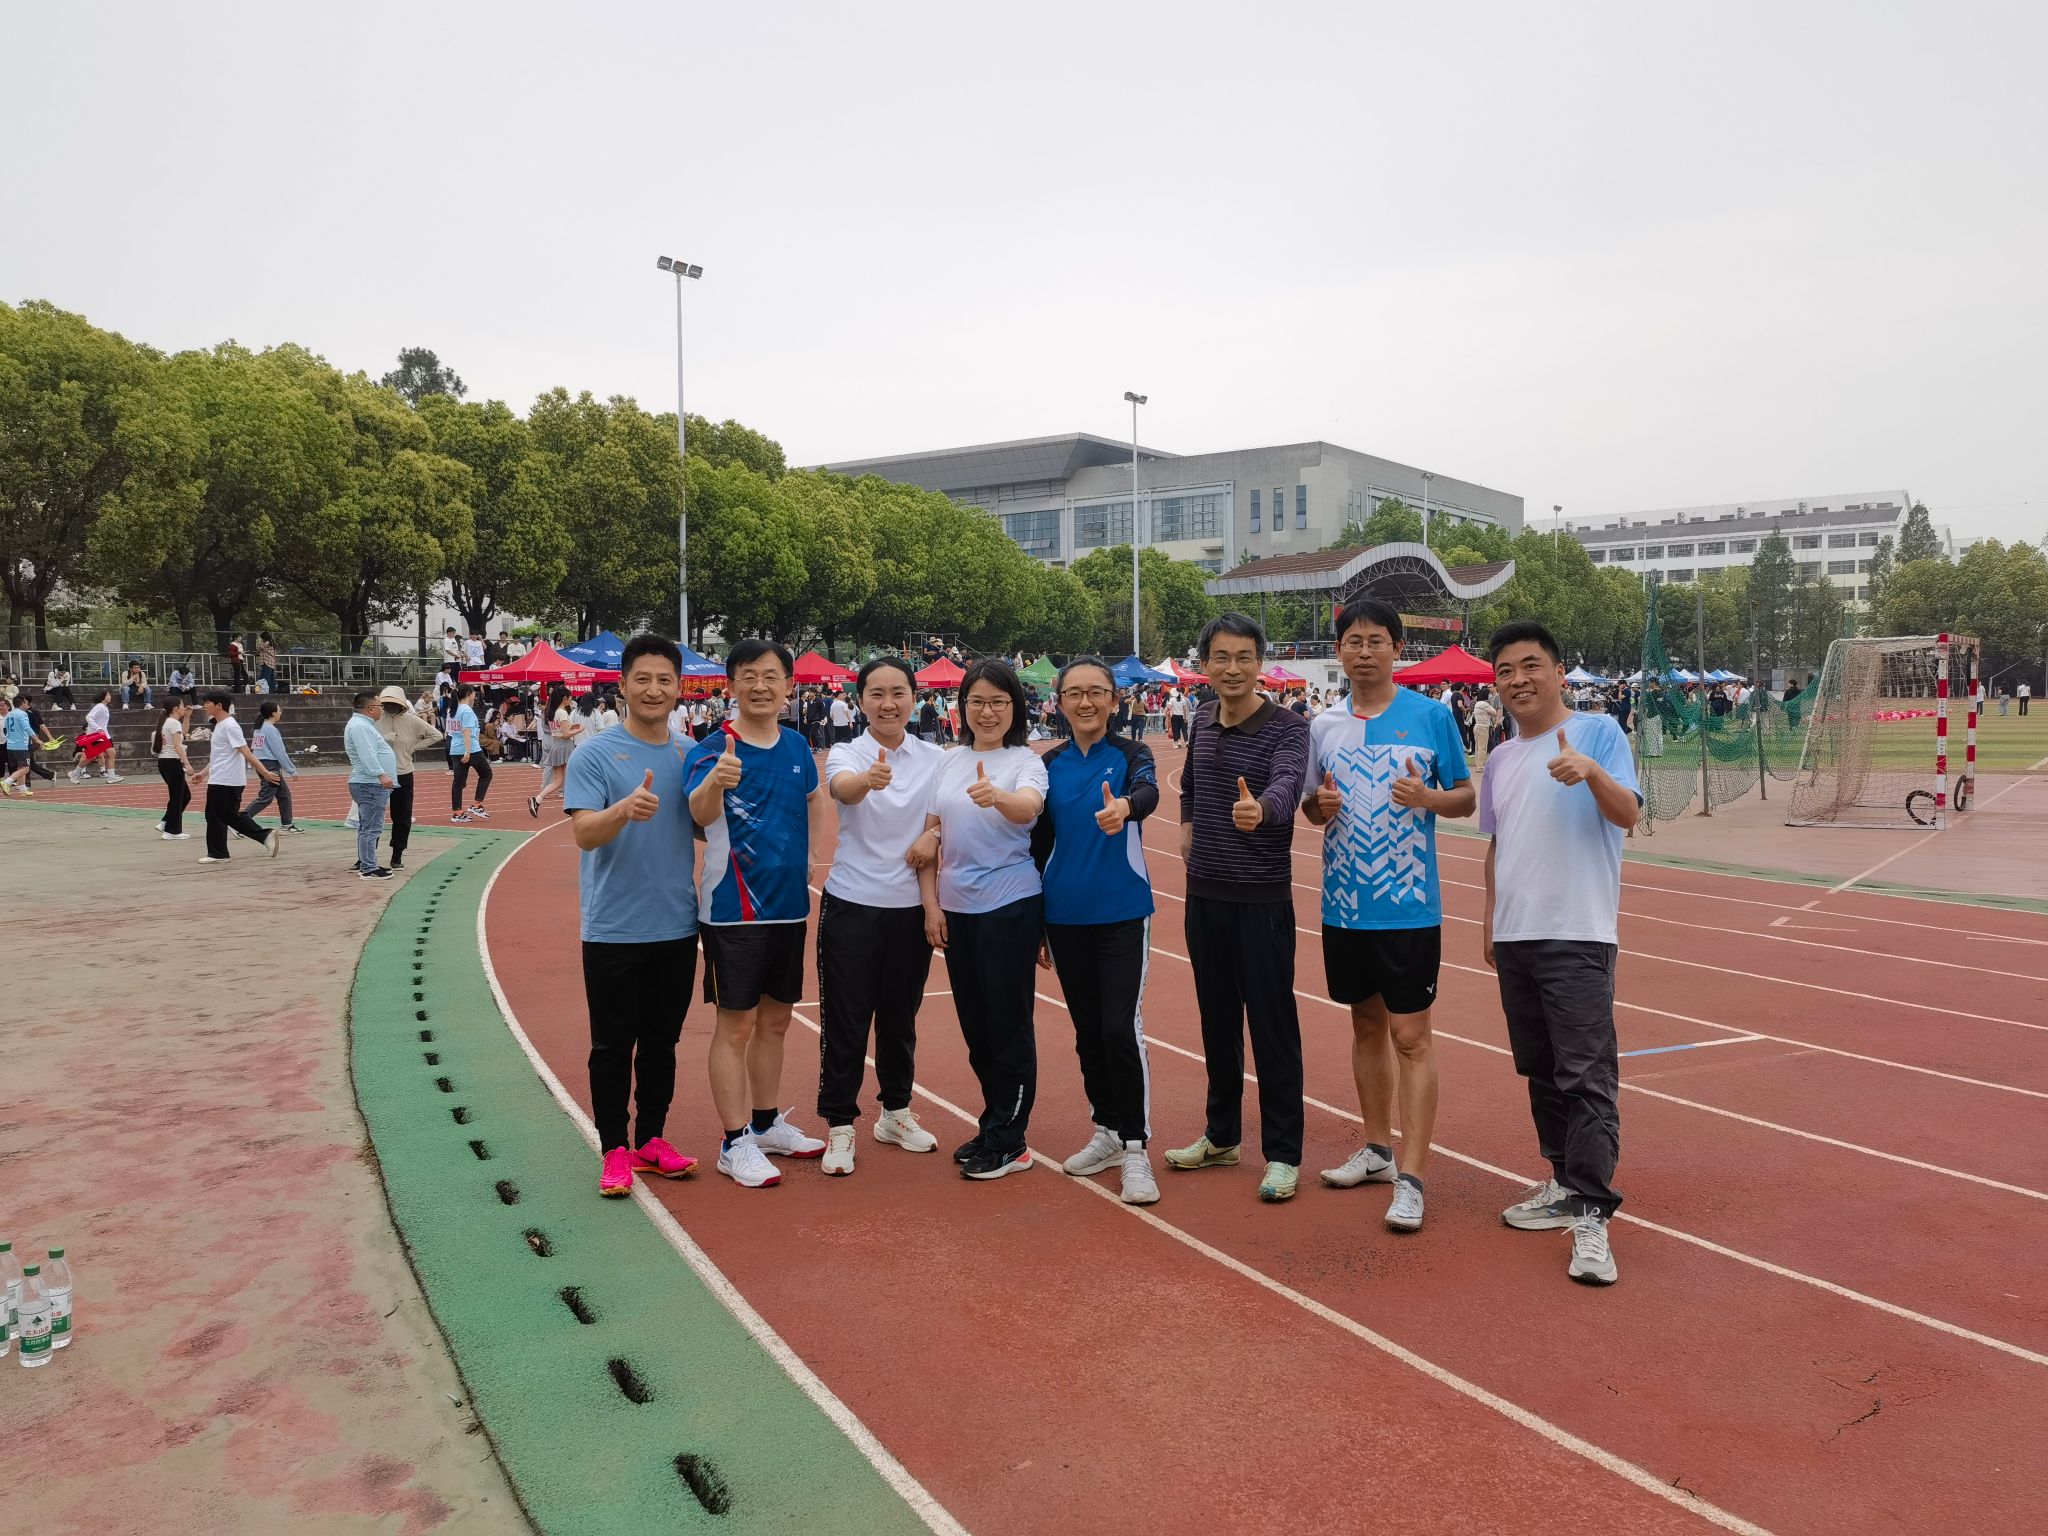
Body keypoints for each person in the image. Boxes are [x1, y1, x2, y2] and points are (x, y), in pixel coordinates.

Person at [1301, 600, 1474, 1232]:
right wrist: (1318, 808)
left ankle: (1414, 1176)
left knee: (1411, 1037)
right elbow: (1311, 808)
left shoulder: (1431, 716)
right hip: (1345, 907)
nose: (1364, 651)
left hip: (1408, 906)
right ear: (1339, 651)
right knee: (1366, 1027)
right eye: (1353, 641)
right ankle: (1376, 1150)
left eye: (1376, 640)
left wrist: (1428, 796)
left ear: (1398, 648)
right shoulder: (1323, 726)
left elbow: (1465, 798)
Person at [1482, 621, 1642, 1287]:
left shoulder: (1598, 733)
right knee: (1542, 1071)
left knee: (1585, 1077)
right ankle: (1562, 1181)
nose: (1518, 679)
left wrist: (1593, 772)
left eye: (1531, 665)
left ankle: (1592, 1215)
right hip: (1516, 935)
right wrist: (1489, 923)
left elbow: (1628, 814)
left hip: (1577, 932)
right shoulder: (1499, 757)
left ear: (1556, 670)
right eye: (1506, 671)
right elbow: (1498, 844)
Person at [1164, 613, 1311, 1203]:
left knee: (1273, 1028)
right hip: (1204, 896)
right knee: (1217, 1022)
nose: (1232, 668)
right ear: (1205, 664)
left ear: (1260, 663)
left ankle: (1283, 1154)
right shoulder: (1202, 716)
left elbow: (1287, 785)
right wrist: (1187, 825)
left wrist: (1263, 810)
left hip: (1261, 899)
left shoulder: (1288, 727)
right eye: (1221, 657)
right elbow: (1190, 786)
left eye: (1244, 657)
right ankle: (1222, 1136)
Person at [685, 639, 828, 1188]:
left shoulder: (796, 745)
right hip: (733, 911)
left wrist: (812, 853)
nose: (761, 686)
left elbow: (814, 797)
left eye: (771, 676)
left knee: (776, 1021)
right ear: (732, 685)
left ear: (788, 686)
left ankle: (766, 1125)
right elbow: (698, 815)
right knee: (736, 1025)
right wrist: (716, 782)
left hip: (789, 907)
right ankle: (734, 1141)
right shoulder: (712, 747)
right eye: (749, 676)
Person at [566, 634, 699, 1193]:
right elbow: (585, 833)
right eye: (642, 679)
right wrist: (622, 809)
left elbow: (705, 825)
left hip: (677, 924)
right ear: (622, 686)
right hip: (614, 928)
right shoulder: (594, 753)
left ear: (679, 687)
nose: (653, 689)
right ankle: (614, 1149)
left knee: (662, 1042)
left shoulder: (691, 753)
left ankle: (651, 1139)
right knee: (612, 1046)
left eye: (664, 679)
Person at [909, 658, 1047, 1180]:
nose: (987, 712)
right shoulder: (949, 762)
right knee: (977, 1027)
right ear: (962, 706)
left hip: (1009, 904)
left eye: (998, 702)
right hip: (957, 908)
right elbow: (929, 838)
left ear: (1014, 707)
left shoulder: (1025, 761)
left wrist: (999, 796)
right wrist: (931, 905)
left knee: (1008, 1025)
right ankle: (995, 1122)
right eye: (977, 702)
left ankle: (1011, 1141)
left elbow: (1028, 808)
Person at [1032, 657, 1161, 1205]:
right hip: (1064, 915)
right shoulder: (1048, 764)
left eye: (1096, 692)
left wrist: (1126, 808)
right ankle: (1106, 1130)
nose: (1085, 702)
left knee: (1118, 1027)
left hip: (1122, 912)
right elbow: (1037, 845)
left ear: (1114, 699)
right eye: (1074, 693)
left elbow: (1149, 794)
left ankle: (1135, 1147)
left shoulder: (1133, 754)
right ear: (1060, 702)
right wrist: (1037, 923)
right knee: (1087, 1031)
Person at [814, 656, 946, 1176]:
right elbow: (841, 790)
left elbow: (949, 816)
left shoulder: (935, 758)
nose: (888, 703)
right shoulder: (848, 752)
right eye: (876, 693)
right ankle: (840, 1125)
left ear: (914, 698)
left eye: (898, 693)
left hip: (909, 908)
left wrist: (934, 833)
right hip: (852, 903)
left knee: (899, 1018)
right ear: (860, 700)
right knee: (845, 1018)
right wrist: (869, 779)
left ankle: (895, 1112)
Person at [195, 693, 281, 864]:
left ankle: (219, 853)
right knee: (225, 815)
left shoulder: (230, 726)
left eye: (207, 703)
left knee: (217, 815)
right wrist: (204, 772)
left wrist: (264, 773)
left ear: (219, 706)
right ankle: (263, 837)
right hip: (221, 777)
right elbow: (219, 756)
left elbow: (246, 752)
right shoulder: (221, 725)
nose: (204, 706)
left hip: (227, 779)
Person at [376, 684, 443, 870]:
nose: (389, 706)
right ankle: (367, 856)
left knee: (402, 817)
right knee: (373, 817)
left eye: (393, 703)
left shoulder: (412, 720)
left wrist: (412, 748)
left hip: (403, 773)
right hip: (379, 774)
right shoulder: (376, 719)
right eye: (386, 703)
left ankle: (397, 854)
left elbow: (436, 735)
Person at [343, 691, 398, 880]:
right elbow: (367, 754)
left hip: (369, 783)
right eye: (380, 705)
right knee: (371, 828)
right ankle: (368, 868)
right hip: (370, 783)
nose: (382, 709)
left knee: (368, 826)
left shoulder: (362, 725)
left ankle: (368, 863)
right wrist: (381, 774)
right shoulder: (360, 726)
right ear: (371, 708)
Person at [244, 701, 301, 833]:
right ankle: (239, 821)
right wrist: (291, 770)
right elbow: (279, 752)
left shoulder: (259, 727)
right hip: (269, 765)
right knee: (265, 798)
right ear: (273, 713)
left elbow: (256, 749)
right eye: (279, 710)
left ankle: (287, 824)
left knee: (284, 794)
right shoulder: (270, 729)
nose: (281, 713)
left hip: (262, 764)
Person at [447, 684, 493, 823]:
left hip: (455, 748)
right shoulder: (466, 711)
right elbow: (466, 731)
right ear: (468, 694)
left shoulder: (452, 710)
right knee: (486, 774)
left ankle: (457, 812)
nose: (475, 695)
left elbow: (451, 731)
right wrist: (467, 751)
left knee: (458, 782)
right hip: (470, 749)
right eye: (473, 692)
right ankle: (477, 805)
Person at [152, 699, 195, 836]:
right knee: (178, 796)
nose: (184, 707)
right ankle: (172, 831)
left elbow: (183, 733)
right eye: (182, 705)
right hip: (172, 761)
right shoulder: (173, 723)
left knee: (184, 795)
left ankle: (166, 822)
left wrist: (187, 717)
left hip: (164, 762)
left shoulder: (166, 722)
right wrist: (187, 763)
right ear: (175, 708)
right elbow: (177, 745)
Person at [69, 692, 124, 783]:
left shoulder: (104, 707)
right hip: (96, 736)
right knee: (91, 756)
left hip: (104, 735)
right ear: (103, 697)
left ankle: (111, 777)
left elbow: (103, 724)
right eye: (108, 695)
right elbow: (89, 717)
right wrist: (98, 728)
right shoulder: (99, 706)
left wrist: (103, 732)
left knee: (111, 753)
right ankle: (75, 773)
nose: (110, 696)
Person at [0, 697, 34, 798]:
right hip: (21, 745)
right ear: (22, 703)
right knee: (25, 769)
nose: (27, 705)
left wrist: (10, 738)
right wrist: (37, 739)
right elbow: (27, 727)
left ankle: (23, 789)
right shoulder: (22, 714)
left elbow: (5, 729)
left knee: (20, 767)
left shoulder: (9, 714)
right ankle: (7, 782)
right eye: (26, 703)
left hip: (10, 745)